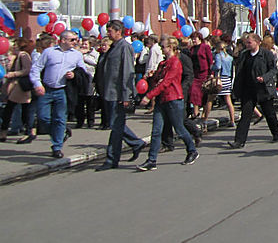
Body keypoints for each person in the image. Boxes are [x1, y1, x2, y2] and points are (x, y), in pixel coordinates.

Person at [136, 37, 199, 170]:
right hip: (161, 100)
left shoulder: (175, 62)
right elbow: (158, 82)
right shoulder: (163, 64)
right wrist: (153, 77)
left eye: (163, 47)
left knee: (179, 129)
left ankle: (192, 150)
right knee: (156, 130)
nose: (161, 49)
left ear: (170, 48)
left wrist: (149, 96)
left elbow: (167, 82)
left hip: (174, 99)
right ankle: (151, 160)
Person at [95, 21, 145, 170]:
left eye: (110, 31)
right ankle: (136, 143)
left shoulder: (125, 47)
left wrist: (126, 96)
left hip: (118, 94)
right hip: (109, 92)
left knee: (116, 127)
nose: (108, 34)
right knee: (115, 124)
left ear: (118, 32)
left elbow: (127, 73)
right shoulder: (113, 47)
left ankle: (111, 159)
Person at [30, 29, 87, 159]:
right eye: (72, 40)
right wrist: (37, 84)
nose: (75, 42)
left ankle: (57, 147)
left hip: (63, 90)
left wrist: (74, 75)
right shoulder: (49, 52)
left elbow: (83, 71)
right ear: (63, 40)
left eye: (76, 40)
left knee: (60, 118)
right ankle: (60, 133)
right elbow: (36, 68)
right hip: (47, 89)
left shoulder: (76, 55)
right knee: (43, 118)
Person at [228, 33, 278, 148]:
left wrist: (264, 77)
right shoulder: (244, 55)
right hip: (248, 89)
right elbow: (240, 71)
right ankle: (239, 140)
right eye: (246, 43)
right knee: (245, 115)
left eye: (249, 42)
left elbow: (273, 70)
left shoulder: (266, 54)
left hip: (263, 88)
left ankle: (276, 133)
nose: (247, 45)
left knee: (269, 113)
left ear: (257, 42)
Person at [1, 39, 34, 142]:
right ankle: (5, 132)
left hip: (20, 86)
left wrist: (14, 74)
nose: (13, 47)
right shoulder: (17, 56)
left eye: (15, 45)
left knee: (16, 109)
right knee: (13, 109)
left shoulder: (24, 56)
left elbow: (27, 70)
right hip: (15, 86)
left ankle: (29, 131)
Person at [212, 40, 236, 126]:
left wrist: (212, 67)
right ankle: (232, 120)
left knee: (210, 98)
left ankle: (205, 118)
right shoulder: (229, 57)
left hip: (220, 78)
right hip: (228, 78)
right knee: (228, 100)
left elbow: (218, 67)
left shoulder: (219, 56)